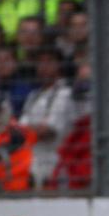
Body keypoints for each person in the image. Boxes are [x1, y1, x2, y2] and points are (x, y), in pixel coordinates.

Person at [18, 45, 75, 187]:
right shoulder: (33, 96)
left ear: (60, 65)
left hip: (54, 170)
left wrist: (25, 130)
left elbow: (47, 130)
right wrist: (28, 130)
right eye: (41, 62)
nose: (44, 67)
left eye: (49, 62)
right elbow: (19, 130)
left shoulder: (65, 93)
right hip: (32, 170)